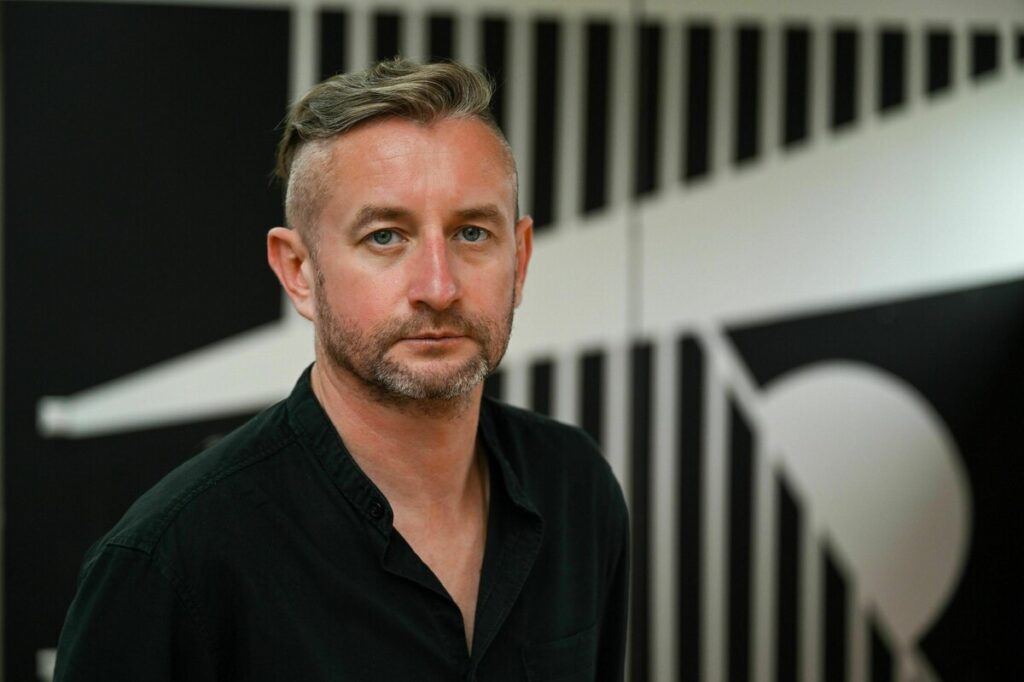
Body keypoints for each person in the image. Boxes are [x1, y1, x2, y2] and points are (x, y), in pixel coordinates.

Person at [54, 58, 629, 680]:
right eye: (385, 236)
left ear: (520, 259)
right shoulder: (171, 558)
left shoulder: (574, 487)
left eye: (471, 233)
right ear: (298, 271)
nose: (439, 288)